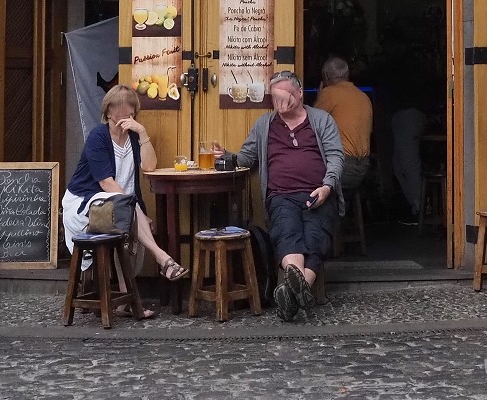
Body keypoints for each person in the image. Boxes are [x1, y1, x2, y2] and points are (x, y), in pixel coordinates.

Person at [214, 70, 344, 322]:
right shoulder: (265, 124)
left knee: (316, 236)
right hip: (281, 196)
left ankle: (291, 293)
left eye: (285, 97)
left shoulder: (321, 119)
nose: (280, 103)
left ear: (299, 93)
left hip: (318, 193)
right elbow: (247, 158)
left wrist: (327, 187)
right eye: (275, 98)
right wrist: (226, 156)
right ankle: (300, 290)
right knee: (286, 231)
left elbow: (336, 158)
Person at [61, 85, 188, 314]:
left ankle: (128, 301)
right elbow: (106, 183)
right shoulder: (98, 137)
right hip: (85, 203)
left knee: (125, 218)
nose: (122, 116)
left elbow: (149, 166)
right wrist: (135, 209)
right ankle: (163, 259)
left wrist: (142, 133)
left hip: (120, 205)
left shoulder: (132, 138)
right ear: (107, 112)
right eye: (117, 110)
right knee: (126, 213)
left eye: (128, 112)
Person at [313, 56, 373, 191]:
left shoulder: (329, 93)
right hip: (362, 167)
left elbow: (310, 125)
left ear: (326, 77)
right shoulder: (363, 96)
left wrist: (319, 96)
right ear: (347, 75)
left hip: (341, 167)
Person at [391, 105, 426, 223]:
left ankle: (419, 210)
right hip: (401, 112)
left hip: (410, 110)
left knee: (411, 168)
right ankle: (417, 207)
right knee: (399, 168)